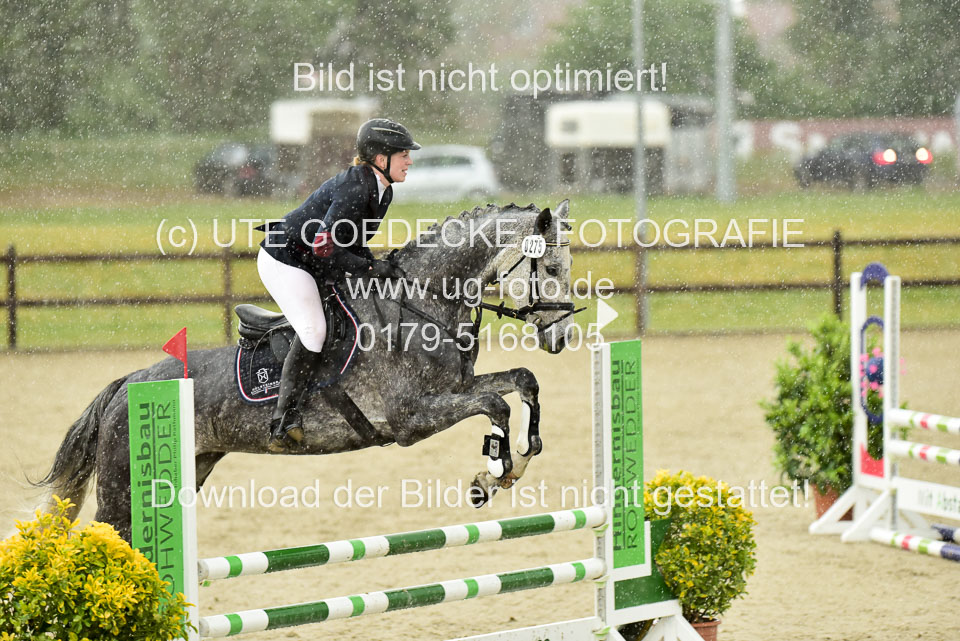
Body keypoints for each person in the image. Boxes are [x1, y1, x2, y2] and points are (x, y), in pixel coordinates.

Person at [257, 118, 419, 449]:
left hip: (313, 260)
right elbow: (324, 247)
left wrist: (378, 267)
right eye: (403, 154)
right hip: (286, 259)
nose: (409, 161)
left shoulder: (382, 190)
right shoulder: (355, 189)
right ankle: (282, 421)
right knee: (314, 330)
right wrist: (371, 267)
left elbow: (352, 242)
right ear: (381, 158)